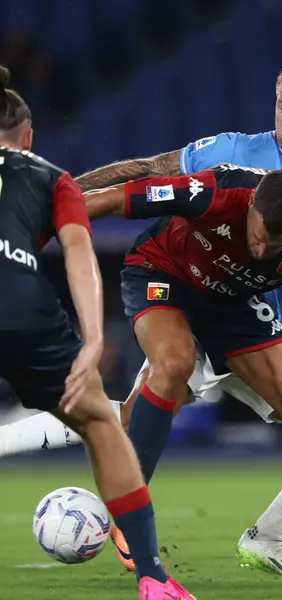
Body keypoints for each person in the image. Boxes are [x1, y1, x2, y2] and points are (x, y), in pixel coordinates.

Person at [74, 56, 282, 575]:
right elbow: (148, 172)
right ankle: (107, 508)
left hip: (254, 322)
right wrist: (60, 194)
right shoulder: (229, 151)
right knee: (138, 411)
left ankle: (270, 539)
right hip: (189, 303)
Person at [0, 65, 194, 600]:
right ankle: (153, 578)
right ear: (29, 137)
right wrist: (92, 340)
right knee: (104, 424)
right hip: (20, 307)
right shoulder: (50, 178)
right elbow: (79, 250)